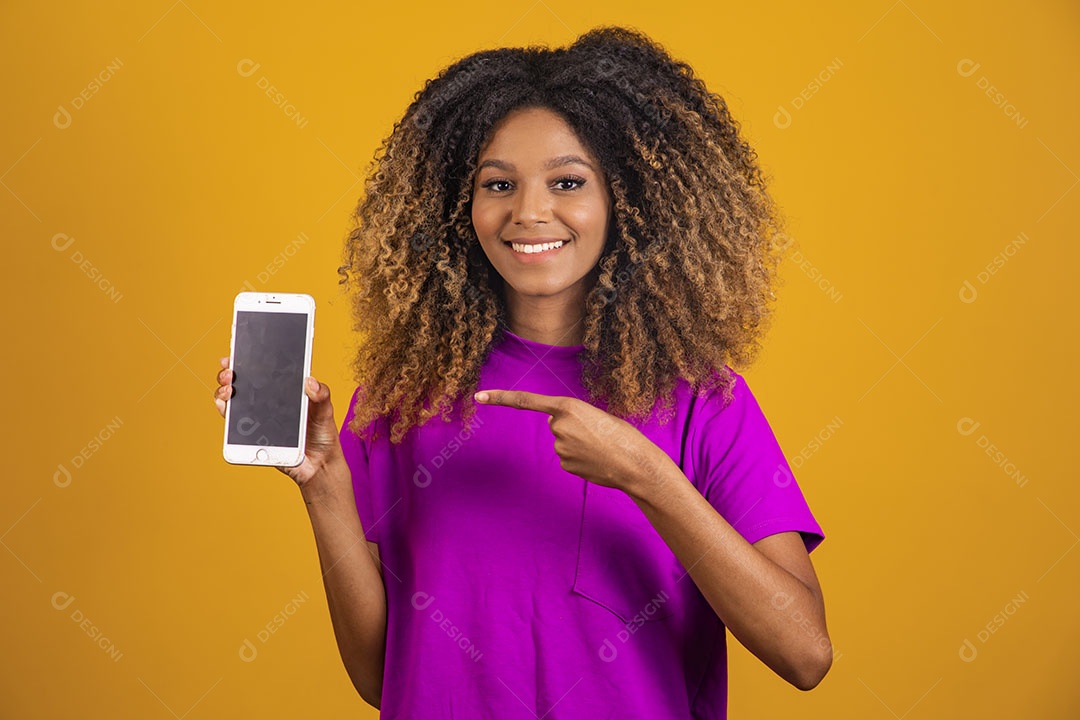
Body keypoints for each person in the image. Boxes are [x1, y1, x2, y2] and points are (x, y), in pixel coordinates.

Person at [213, 25, 831, 719]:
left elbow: (804, 653)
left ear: (626, 200)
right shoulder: (400, 401)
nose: (529, 212)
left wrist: (649, 475)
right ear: (457, 209)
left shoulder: (705, 402)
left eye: (568, 182)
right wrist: (323, 487)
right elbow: (380, 677)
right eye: (497, 184)